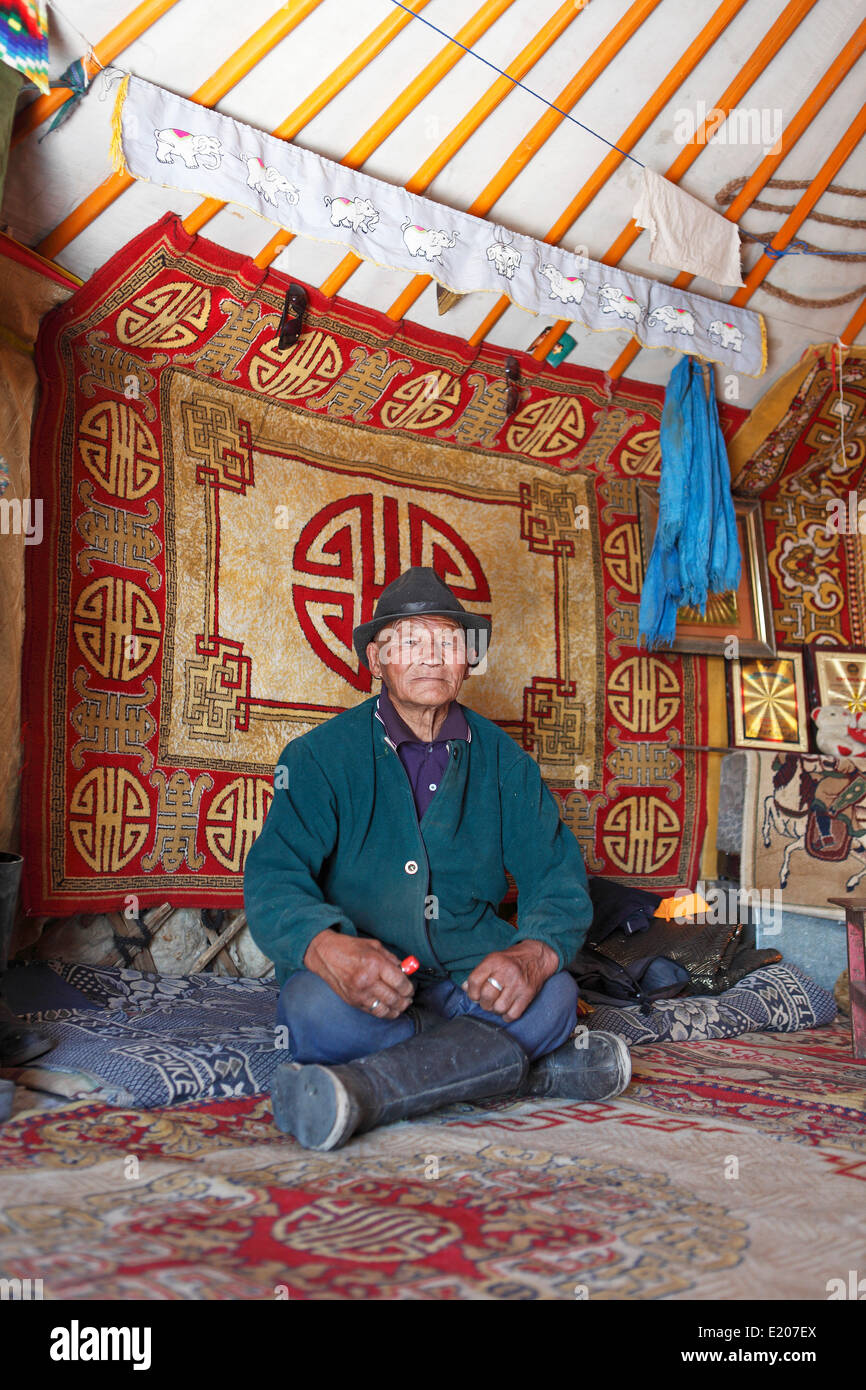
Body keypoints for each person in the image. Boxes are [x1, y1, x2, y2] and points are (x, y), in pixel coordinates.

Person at [244, 566, 630, 1150]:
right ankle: (527, 1071)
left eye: (448, 641)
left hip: (468, 977)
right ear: (377, 658)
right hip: (368, 984)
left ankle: (365, 1091)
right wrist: (327, 949)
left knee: (552, 996)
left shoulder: (505, 762)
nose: (431, 657)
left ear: (467, 658)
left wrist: (529, 954)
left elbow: (555, 876)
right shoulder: (319, 756)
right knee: (313, 1013)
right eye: (410, 641)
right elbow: (274, 878)